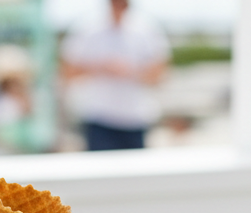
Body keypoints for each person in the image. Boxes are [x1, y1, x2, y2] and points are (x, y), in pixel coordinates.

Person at [60, 0, 170, 151]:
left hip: (136, 119)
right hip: (99, 118)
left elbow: (160, 74)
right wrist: (101, 68)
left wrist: (131, 72)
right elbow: (67, 71)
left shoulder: (148, 28)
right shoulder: (86, 27)